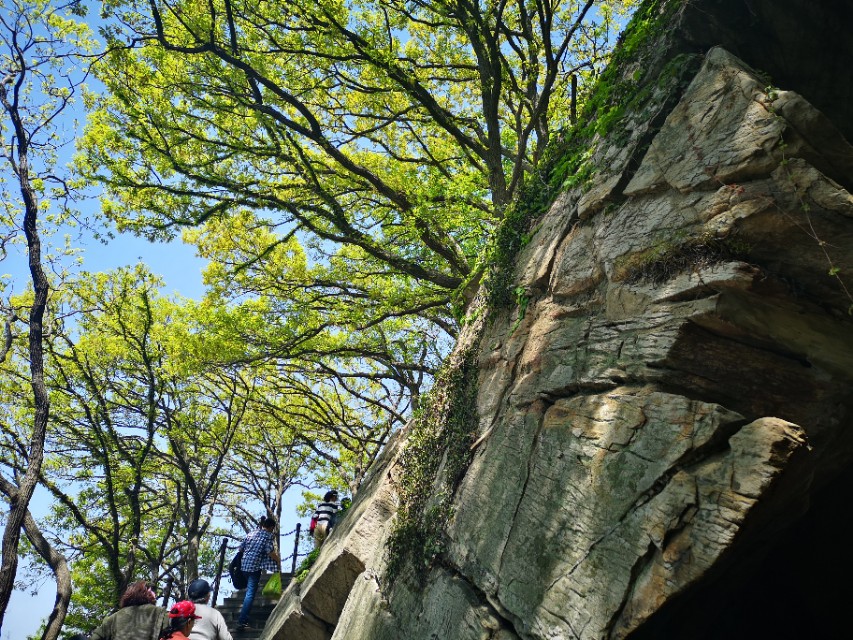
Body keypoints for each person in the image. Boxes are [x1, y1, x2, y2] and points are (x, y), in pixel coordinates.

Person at [235, 515, 280, 630]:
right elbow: (269, 551)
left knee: (248, 592)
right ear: (271, 527)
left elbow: (240, 548)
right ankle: (242, 620)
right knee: (250, 594)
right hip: (254, 568)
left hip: (244, 565)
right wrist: (278, 560)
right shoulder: (268, 536)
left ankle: (243, 617)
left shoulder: (252, 533)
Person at [90, 580, 170, 640]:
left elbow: (95, 638)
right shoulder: (160, 613)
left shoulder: (113, 618)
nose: (154, 594)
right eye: (151, 591)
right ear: (144, 593)